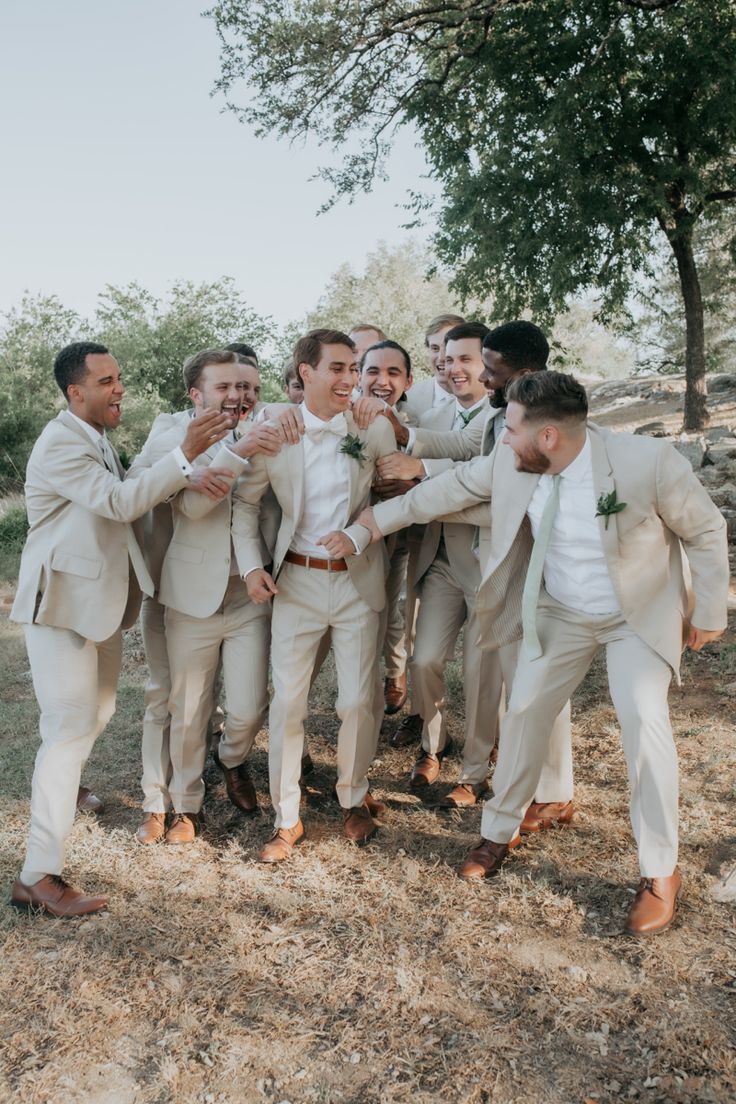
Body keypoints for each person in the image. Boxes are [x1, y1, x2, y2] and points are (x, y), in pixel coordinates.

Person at [360, 370, 728, 935]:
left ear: (549, 436)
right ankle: (497, 831)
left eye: (509, 427)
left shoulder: (645, 462)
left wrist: (707, 610)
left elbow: (704, 530)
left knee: (643, 720)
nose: (502, 437)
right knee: (526, 709)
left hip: (636, 616)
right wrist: (369, 524)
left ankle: (660, 872)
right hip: (558, 610)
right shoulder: (512, 461)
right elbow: (446, 490)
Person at [9, 342, 231, 916]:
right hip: (60, 605)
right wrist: (184, 454)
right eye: (106, 381)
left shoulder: (96, 438)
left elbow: (133, 492)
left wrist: (189, 473)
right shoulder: (61, 441)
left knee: (93, 719)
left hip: (97, 605)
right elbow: (117, 502)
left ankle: (64, 792)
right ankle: (37, 876)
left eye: (119, 378)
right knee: (67, 730)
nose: (119, 389)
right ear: (74, 391)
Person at [377, 321, 574, 823]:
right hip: (440, 560)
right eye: (454, 359)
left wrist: (418, 484)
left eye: (485, 366)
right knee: (424, 661)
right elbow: (465, 451)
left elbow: (496, 493)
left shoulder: (546, 424)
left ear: (522, 371)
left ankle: (475, 774)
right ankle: (433, 747)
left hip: (499, 563)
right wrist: (407, 441)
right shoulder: (488, 412)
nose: (475, 374)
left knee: (490, 674)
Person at [232, 328, 397, 862]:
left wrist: (383, 414)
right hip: (295, 582)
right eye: (339, 369)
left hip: (357, 577)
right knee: (289, 704)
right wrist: (253, 567)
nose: (351, 379)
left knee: (357, 699)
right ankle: (287, 818)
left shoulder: (371, 428)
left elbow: (396, 498)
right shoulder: (274, 429)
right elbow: (246, 506)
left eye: (355, 369)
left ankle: (352, 794)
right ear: (305, 373)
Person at [156, 350, 285, 844]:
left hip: (251, 595)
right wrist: (237, 449)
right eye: (226, 387)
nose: (239, 396)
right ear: (198, 394)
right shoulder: (177, 439)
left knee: (251, 706)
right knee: (189, 707)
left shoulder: (273, 431)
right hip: (191, 594)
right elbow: (190, 507)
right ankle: (185, 804)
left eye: (248, 387)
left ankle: (231, 759)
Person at [402, 313, 464, 422]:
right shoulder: (409, 397)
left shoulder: (485, 397)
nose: (441, 357)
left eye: (448, 348)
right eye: (435, 348)